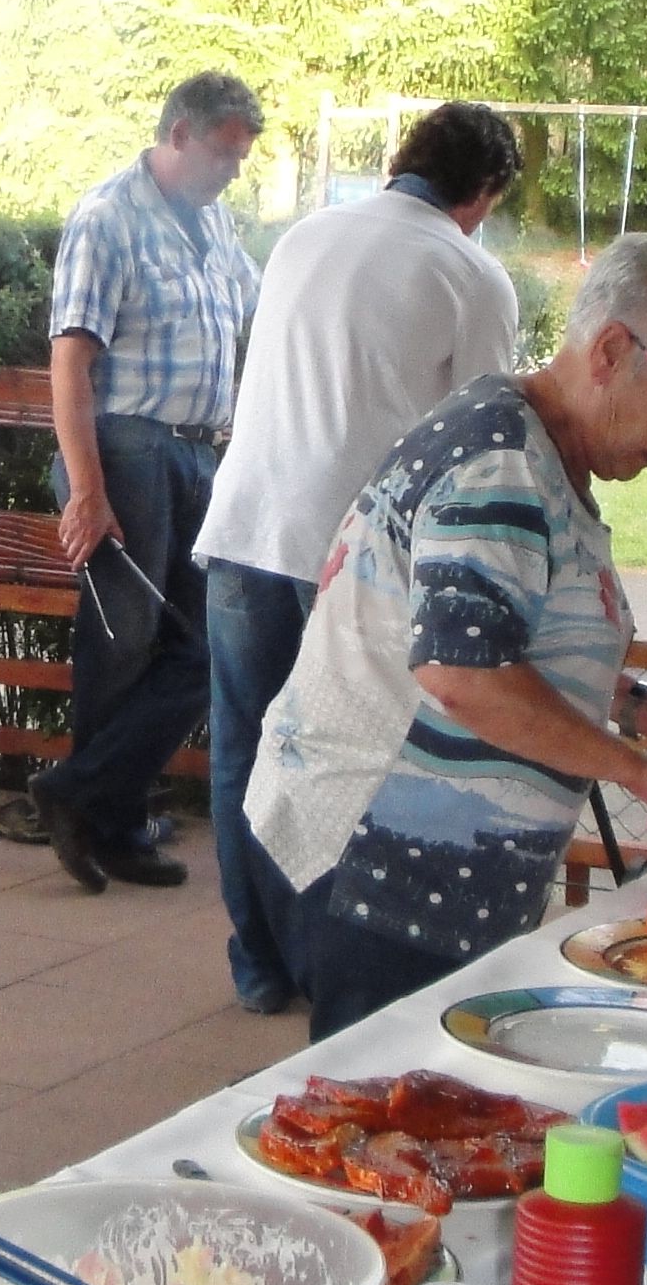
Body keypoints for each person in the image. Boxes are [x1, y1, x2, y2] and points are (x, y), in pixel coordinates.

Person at [242, 234, 647, 1038]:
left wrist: (634, 706)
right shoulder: (502, 464)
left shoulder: (529, 443)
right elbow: (464, 670)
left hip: (407, 861)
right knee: (385, 1114)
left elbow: (499, 628)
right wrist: (641, 774)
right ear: (612, 350)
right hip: (383, 863)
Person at [192, 100, 524, 1013]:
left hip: (247, 523)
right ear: (483, 193)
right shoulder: (473, 273)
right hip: (354, 561)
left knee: (245, 752)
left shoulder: (304, 237)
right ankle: (329, 966)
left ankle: (259, 963)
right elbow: (487, 432)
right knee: (351, 758)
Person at [21, 72, 266, 895]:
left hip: (200, 455)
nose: (235, 168)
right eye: (226, 152)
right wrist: (86, 491)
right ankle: (112, 829)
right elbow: (70, 361)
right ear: (180, 135)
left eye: (242, 155)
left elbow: (256, 317)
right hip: (126, 449)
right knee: (123, 649)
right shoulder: (107, 219)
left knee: (201, 648)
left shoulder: (216, 222)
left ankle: (80, 799)